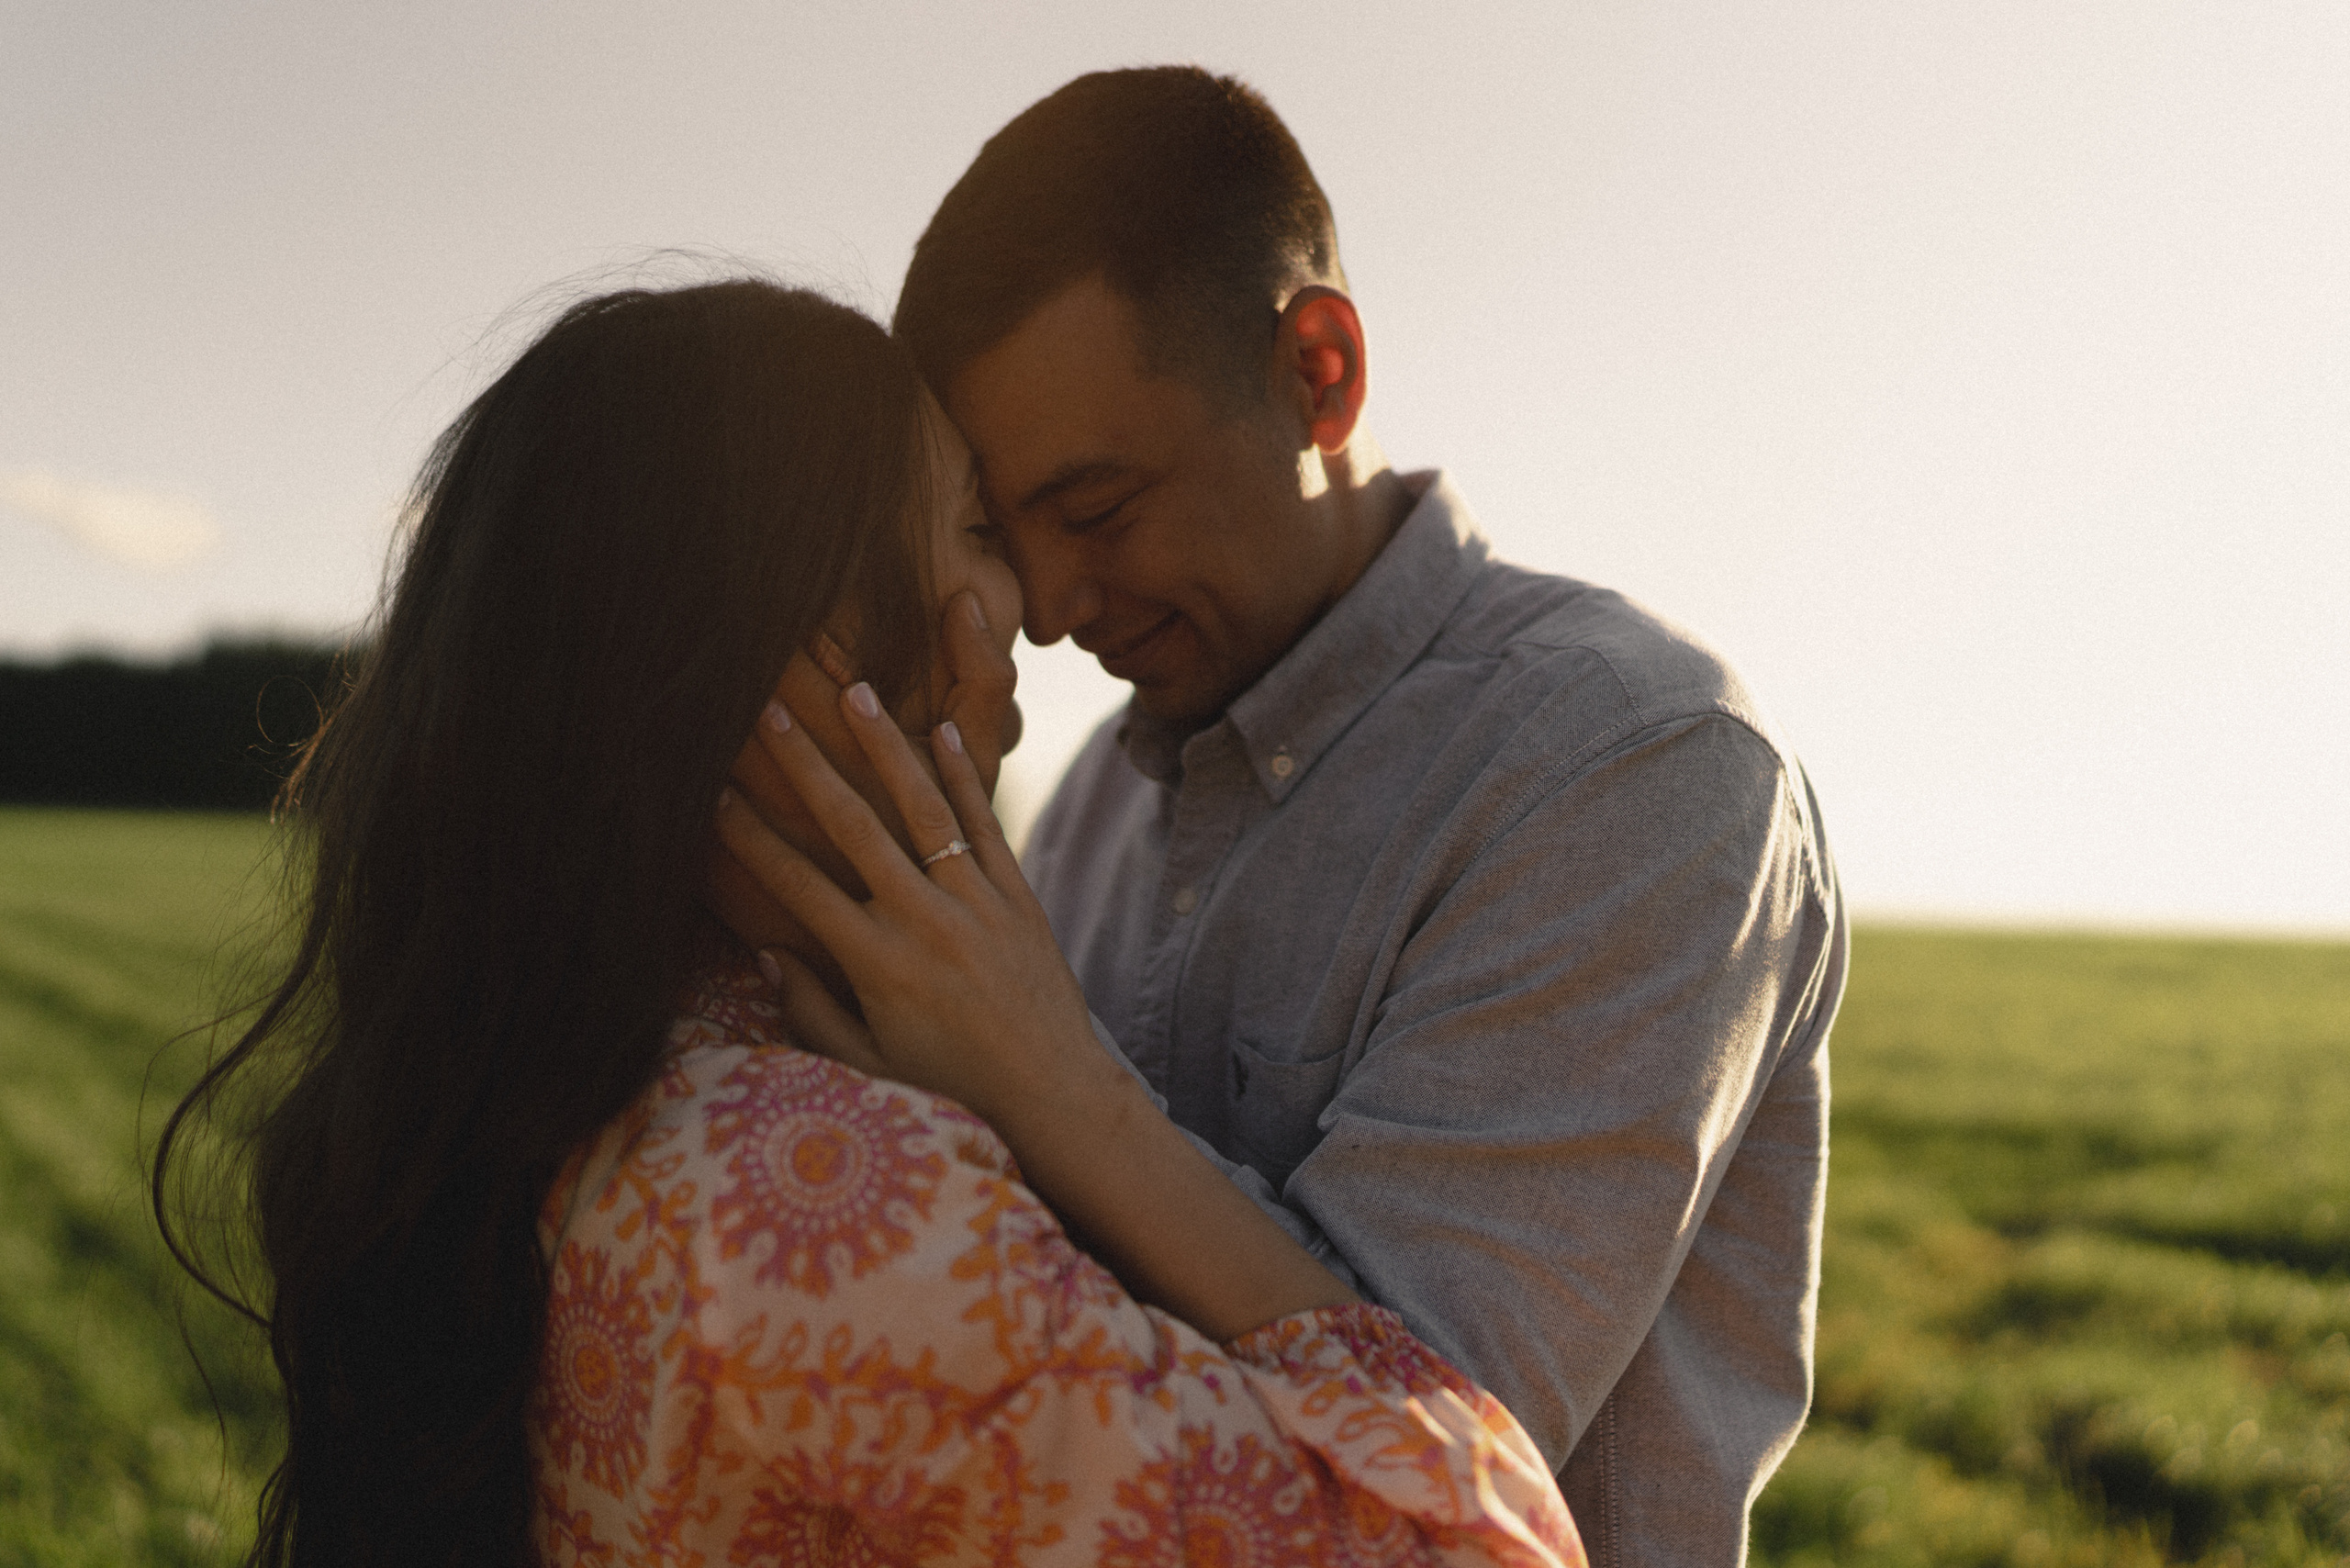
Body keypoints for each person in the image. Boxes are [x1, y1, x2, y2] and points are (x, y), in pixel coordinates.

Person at [153, 279, 1582, 1568]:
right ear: (792, 641)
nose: (1032, 612)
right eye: (979, 530)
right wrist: (1075, 1100)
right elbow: (1484, 1548)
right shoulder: (825, 1204)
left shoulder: (552, 1094)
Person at [728, 67, 1847, 1567]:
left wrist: (1039, 1078)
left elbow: (1440, 1457)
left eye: (1099, 509)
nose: (1046, 607)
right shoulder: (1097, 801)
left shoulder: (1628, 764)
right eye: (1003, 529)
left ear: (1320, 373)